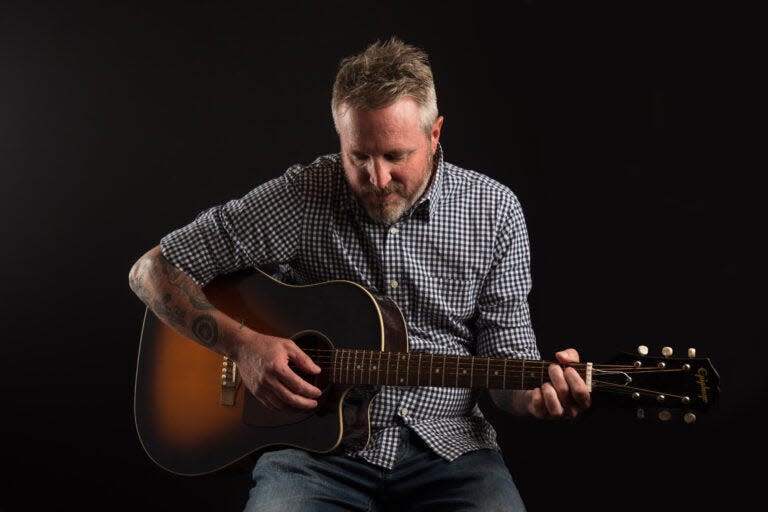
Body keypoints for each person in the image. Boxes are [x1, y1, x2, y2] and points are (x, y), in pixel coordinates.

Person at [128, 36, 591, 511]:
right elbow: (151, 271)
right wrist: (243, 346)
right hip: (313, 455)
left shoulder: (495, 211)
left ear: (434, 136)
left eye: (395, 156)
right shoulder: (303, 194)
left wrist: (535, 398)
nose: (377, 178)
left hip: (451, 451)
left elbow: (505, 364)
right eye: (359, 157)